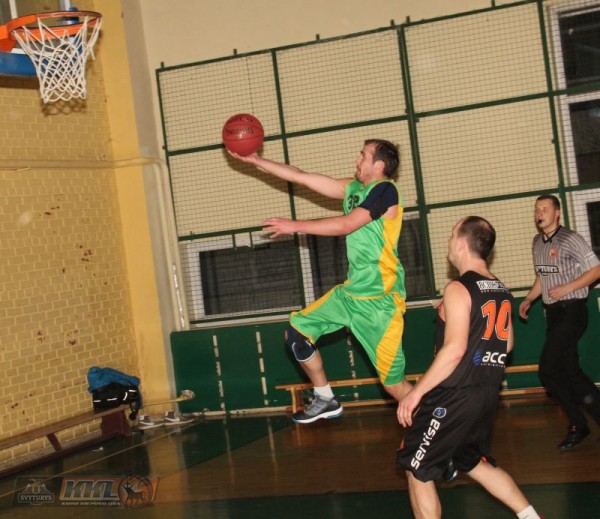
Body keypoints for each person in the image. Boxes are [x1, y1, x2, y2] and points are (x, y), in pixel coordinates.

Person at [228, 139, 412, 423]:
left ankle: (440, 424)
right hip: (350, 295)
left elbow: (346, 224)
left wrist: (294, 226)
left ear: (378, 165)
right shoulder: (354, 189)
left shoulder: (385, 191)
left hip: (379, 302)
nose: (356, 161)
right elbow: (301, 176)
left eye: (362, 156)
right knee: (297, 333)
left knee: (394, 386)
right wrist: (257, 161)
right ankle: (325, 398)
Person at [396, 217, 541, 519]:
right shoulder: (500, 289)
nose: (449, 242)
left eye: (452, 235)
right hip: (486, 393)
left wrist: (415, 393)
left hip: (454, 395)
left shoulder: (459, 287)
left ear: (462, 243)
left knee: (416, 467)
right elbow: (506, 344)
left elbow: (454, 350)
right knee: (472, 462)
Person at [518, 194, 600, 450]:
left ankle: (578, 424)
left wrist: (568, 288)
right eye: (537, 209)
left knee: (548, 369)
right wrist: (529, 298)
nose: (539, 213)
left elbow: (596, 270)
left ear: (557, 213)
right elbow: (542, 277)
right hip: (553, 314)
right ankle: (586, 422)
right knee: (571, 372)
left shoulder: (570, 238)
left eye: (545, 208)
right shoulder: (537, 243)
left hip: (573, 310)